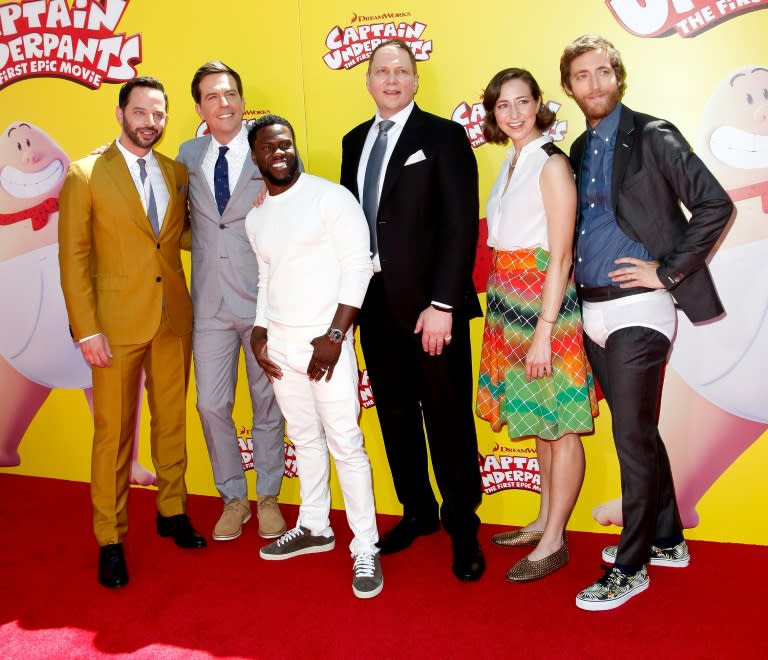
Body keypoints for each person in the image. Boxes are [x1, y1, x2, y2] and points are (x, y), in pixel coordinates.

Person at [559, 35, 733, 610]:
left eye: (604, 72)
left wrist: (669, 271)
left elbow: (715, 203)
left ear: (619, 77)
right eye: (582, 76)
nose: (595, 84)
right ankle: (667, 539)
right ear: (570, 87)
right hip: (593, 309)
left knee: (629, 437)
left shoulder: (653, 135)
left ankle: (630, 567)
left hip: (641, 310)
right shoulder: (578, 151)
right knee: (638, 431)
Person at [340, 39, 485, 582]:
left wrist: (443, 303)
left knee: (446, 416)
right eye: (382, 71)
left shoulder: (443, 137)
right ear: (369, 80)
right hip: (374, 308)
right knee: (396, 416)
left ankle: (462, 525)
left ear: (417, 80)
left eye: (402, 71)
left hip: (433, 310)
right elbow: (350, 225)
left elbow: (459, 224)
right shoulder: (354, 141)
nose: (392, 79)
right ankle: (417, 512)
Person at [58, 76, 206, 589]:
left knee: (171, 423)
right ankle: (110, 537)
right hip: (113, 325)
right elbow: (74, 257)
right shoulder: (84, 173)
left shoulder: (175, 171)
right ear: (120, 114)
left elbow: (179, 236)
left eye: (159, 114)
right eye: (141, 112)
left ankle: (171, 510)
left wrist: (233, 225)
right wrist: (85, 329)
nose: (150, 122)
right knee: (114, 435)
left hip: (172, 317)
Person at [245, 115, 382, 599]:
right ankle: (315, 526)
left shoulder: (330, 197)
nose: (279, 153)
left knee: (345, 442)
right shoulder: (256, 216)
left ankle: (365, 545)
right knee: (304, 439)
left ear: (293, 146)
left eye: (285, 144)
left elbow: (358, 266)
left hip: (327, 345)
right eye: (268, 147)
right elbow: (267, 279)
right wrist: (260, 332)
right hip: (280, 346)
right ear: (255, 155)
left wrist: (334, 335)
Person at [475, 68, 598, 582]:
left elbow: (562, 255)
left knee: (562, 423)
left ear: (539, 104)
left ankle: (554, 541)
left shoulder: (551, 162)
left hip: (546, 308)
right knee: (542, 424)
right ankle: (545, 520)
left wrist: (545, 331)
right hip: (509, 302)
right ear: (494, 114)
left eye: (523, 102)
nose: (515, 113)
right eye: (504, 106)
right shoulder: (512, 160)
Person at [177, 61, 286, 542]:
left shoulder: (268, 147)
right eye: (213, 96)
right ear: (200, 107)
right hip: (210, 306)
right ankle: (232, 497)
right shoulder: (186, 153)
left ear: (242, 100)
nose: (224, 103)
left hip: (264, 302)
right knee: (211, 404)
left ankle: (266, 496)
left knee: (267, 403)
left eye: (231, 94)